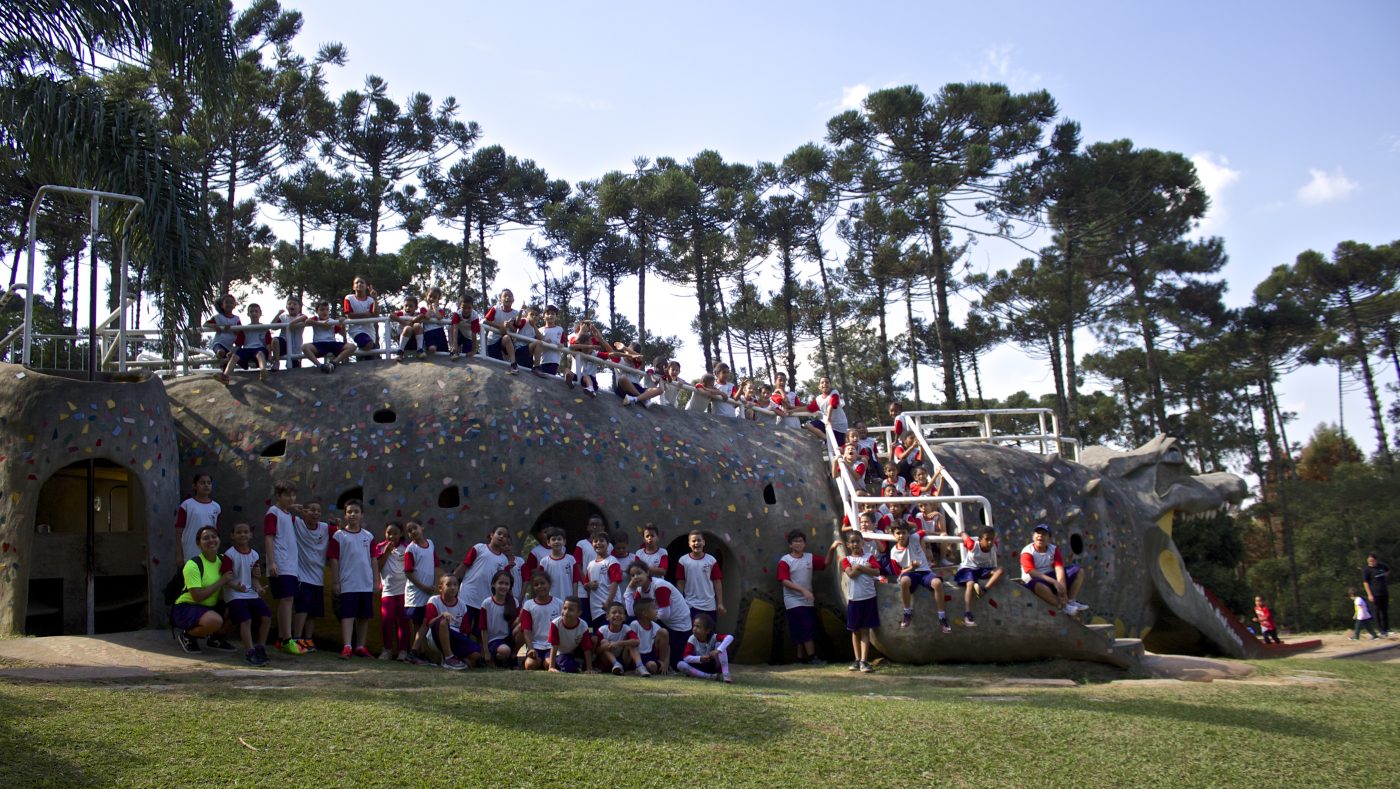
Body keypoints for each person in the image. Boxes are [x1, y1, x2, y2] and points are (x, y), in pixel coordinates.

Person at [777, 529, 837, 665]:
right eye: (795, 541)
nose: (798, 544)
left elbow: (825, 563)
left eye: (800, 541)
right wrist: (803, 590)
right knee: (806, 625)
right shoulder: (785, 561)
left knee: (800, 627)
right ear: (790, 545)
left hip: (807, 599)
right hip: (793, 599)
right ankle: (812, 657)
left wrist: (832, 548)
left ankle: (799, 658)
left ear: (805, 543)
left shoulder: (809, 557)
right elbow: (785, 581)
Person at [172, 525, 234, 653]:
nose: (211, 540)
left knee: (240, 609)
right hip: (188, 606)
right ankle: (188, 636)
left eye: (214, 537)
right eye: (206, 538)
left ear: (219, 539)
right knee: (215, 621)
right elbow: (197, 597)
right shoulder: (193, 564)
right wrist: (221, 581)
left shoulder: (223, 560)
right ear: (198, 543)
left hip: (211, 605)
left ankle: (215, 639)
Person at [262, 480, 306, 655]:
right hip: (280, 563)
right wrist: (272, 562)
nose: (291, 498)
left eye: (293, 494)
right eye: (287, 494)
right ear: (278, 496)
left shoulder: (288, 515)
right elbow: (268, 538)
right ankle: (287, 639)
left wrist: (297, 510)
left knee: (287, 600)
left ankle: (281, 639)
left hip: (290, 564)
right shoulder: (273, 512)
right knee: (286, 599)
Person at [327, 499, 375, 659]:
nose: (353, 514)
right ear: (345, 515)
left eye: (356, 511)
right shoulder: (338, 536)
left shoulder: (369, 537)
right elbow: (334, 559)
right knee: (347, 615)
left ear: (362, 515)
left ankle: (360, 646)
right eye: (350, 512)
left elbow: (373, 559)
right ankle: (347, 646)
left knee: (363, 616)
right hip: (347, 583)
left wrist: (376, 580)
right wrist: (335, 581)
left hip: (365, 583)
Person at [221, 522, 272, 666]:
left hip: (249, 592)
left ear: (250, 535)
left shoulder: (254, 554)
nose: (242, 534)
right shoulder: (229, 554)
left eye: (245, 532)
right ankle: (250, 652)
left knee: (266, 616)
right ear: (233, 536)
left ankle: (260, 647)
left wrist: (260, 588)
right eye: (239, 532)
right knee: (246, 620)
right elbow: (226, 579)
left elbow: (254, 578)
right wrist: (235, 587)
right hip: (234, 594)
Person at [623, 560, 691, 668]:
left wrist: (646, 617)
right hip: (662, 622)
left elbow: (665, 614)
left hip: (678, 626)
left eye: (639, 573)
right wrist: (629, 590)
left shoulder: (659, 586)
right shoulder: (640, 590)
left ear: (647, 573)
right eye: (632, 575)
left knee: (678, 664)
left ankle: (663, 663)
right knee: (633, 622)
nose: (635, 577)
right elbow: (632, 612)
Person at [890, 522, 950, 633]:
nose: (901, 536)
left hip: (924, 571)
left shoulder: (914, 538)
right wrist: (911, 567)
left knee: (937, 583)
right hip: (910, 573)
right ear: (893, 534)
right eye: (898, 533)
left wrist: (939, 534)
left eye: (904, 533)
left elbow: (924, 532)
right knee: (904, 581)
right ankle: (907, 612)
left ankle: (942, 617)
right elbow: (899, 572)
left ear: (908, 533)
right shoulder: (893, 552)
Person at [452, 525, 513, 630]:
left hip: (485, 601)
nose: (502, 537)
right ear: (491, 535)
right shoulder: (479, 548)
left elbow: (506, 582)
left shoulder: (504, 560)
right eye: (499, 533)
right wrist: (451, 579)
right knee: (462, 628)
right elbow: (464, 565)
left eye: (505, 536)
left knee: (480, 632)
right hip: (467, 596)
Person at [1020, 524, 1088, 615]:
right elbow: (1032, 573)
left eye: (1044, 534)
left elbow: (1059, 569)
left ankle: (1070, 601)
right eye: (1038, 533)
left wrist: (1062, 589)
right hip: (1035, 581)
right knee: (1035, 583)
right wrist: (1055, 582)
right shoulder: (1027, 552)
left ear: (1049, 538)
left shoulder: (1053, 549)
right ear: (1033, 536)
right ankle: (1062, 606)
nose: (1040, 536)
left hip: (1051, 577)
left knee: (1078, 570)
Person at [291, 501, 331, 653]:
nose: (315, 513)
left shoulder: (325, 528)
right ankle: (296, 638)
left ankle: (308, 640)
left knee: (313, 613)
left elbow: (340, 533)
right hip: (302, 577)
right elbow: (281, 515)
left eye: (318, 511)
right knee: (302, 609)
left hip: (318, 578)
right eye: (311, 510)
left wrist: (339, 525)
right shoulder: (298, 524)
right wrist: (291, 508)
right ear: (304, 511)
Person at [839, 529, 881, 673]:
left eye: (858, 541)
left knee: (865, 630)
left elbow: (876, 572)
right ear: (848, 544)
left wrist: (860, 567)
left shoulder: (870, 557)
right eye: (852, 542)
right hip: (854, 599)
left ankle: (864, 660)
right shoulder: (846, 560)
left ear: (863, 542)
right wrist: (861, 568)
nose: (855, 544)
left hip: (868, 598)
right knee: (855, 630)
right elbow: (850, 574)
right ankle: (857, 659)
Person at [401, 520, 439, 664]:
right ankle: (415, 652)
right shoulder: (411, 549)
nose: (413, 532)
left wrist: (435, 584)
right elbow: (408, 572)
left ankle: (418, 653)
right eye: (409, 531)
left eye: (415, 528)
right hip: (416, 594)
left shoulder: (431, 544)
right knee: (421, 622)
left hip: (428, 592)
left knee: (423, 621)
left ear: (422, 527)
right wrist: (423, 587)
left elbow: (435, 564)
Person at [426, 574, 482, 669]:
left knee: (476, 654)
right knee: (444, 622)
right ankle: (449, 659)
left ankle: (458, 658)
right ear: (440, 588)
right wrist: (442, 615)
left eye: (455, 585)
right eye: (449, 585)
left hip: (455, 638)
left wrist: (464, 646)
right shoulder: (434, 600)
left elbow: (464, 631)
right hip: (435, 637)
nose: (453, 588)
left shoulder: (462, 605)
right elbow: (430, 623)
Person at [374, 522, 412, 660]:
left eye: (395, 533)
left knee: (403, 621)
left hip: (404, 591)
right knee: (387, 620)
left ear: (401, 534)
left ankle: (403, 651)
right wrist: (386, 553)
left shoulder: (407, 548)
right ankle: (387, 650)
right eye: (389, 533)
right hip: (388, 591)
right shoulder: (380, 547)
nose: (392, 536)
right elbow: (377, 567)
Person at [955, 528, 1005, 627]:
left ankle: (984, 589)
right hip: (968, 569)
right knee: (970, 583)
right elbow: (965, 536)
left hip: (982, 570)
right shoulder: (973, 545)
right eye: (987, 539)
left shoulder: (994, 545)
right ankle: (967, 613)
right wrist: (961, 532)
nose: (990, 542)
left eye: (992, 539)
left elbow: (993, 539)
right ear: (980, 540)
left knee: (1000, 570)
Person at [675, 531, 724, 624]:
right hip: (690, 605)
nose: (696, 543)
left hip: (709, 605)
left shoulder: (711, 560)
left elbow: (717, 582)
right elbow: (680, 582)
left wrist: (720, 603)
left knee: (709, 635)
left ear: (704, 542)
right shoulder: (683, 561)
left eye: (699, 540)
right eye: (693, 541)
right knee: (692, 634)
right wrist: (679, 603)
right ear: (689, 544)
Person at [220, 302, 274, 383]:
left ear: (260, 313)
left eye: (256, 311)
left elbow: (268, 344)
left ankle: (263, 371)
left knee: (260, 354)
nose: (254, 313)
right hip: (246, 349)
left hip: (259, 349)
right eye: (251, 312)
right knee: (235, 355)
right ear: (248, 314)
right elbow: (238, 344)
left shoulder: (265, 328)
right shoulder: (244, 329)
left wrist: (269, 354)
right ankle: (225, 376)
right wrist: (231, 352)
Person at [519, 572, 564, 671]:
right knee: (530, 665)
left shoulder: (559, 603)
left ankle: (545, 661)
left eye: (543, 583)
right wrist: (530, 648)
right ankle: (537, 661)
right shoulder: (528, 605)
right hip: (535, 645)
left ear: (549, 584)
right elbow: (526, 630)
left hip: (552, 646)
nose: (540, 586)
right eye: (536, 585)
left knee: (548, 664)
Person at [174, 474, 221, 564]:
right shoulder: (187, 505)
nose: (206, 485)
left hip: (210, 549)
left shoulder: (216, 507)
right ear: (194, 486)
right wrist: (179, 554)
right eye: (202, 483)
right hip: (190, 549)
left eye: (209, 483)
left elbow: (216, 530)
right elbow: (179, 530)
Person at [478, 570, 519, 668]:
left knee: (522, 628)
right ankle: (497, 659)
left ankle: (513, 657)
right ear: (493, 584)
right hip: (494, 640)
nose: (503, 586)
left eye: (507, 584)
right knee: (505, 651)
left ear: (510, 587)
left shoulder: (514, 602)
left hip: (509, 638)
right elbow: (483, 628)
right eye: (500, 583)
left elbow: (516, 624)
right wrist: (486, 651)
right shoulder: (487, 603)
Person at [301, 300, 356, 373]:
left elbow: (342, 333)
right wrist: (322, 324)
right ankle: (320, 366)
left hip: (332, 343)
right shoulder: (315, 319)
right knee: (304, 347)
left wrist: (341, 323)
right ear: (317, 311)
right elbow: (307, 321)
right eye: (322, 309)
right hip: (319, 344)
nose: (325, 312)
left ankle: (334, 363)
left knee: (352, 346)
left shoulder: (332, 321)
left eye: (327, 309)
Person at [584, 530, 624, 628]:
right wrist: (589, 585)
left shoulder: (612, 562)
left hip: (610, 608)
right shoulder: (590, 564)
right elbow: (585, 584)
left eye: (601, 541)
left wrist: (608, 603)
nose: (598, 543)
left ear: (608, 544)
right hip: (595, 609)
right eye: (595, 541)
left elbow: (615, 583)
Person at [679, 614, 733, 683]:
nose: (694, 629)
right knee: (680, 664)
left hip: (713, 666)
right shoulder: (692, 638)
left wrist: (718, 650)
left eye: (698, 626)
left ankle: (726, 674)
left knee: (719, 644)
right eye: (694, 626)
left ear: (707, 631)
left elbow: (730, 637)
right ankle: (709, 676)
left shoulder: (713, 637)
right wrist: (700, 658)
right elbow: (686, 657)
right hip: (699, 667)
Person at [547, 597, 596, 673]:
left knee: (593, 642)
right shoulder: (556, 624)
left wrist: (589, 668)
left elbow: (586, 647)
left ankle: (582, 665)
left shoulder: (583, 625)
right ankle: (575, 665)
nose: (566, 612)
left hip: (574, 652)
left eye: (571, 610)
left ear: (579, 613)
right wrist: (551, 667)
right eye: (564, 608)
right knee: (569, 667)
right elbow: (554, 646)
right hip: (560, 653)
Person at [593, 601, 641, 676]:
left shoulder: (626, 628)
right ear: (607, 616)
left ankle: (640, 666)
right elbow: (597, 651)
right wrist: (606, 647)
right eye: (614, 612)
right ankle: (616, 664)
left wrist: (618, 643)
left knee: (631, 644)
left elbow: (637, 641)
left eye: (620, 613)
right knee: (604, 642)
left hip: (622, 660)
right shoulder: (602, 630)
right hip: (606, 661)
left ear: (624, 617)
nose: (617, 615)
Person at [483, 288, 524, 373]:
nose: (507, 298)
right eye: (505, 296)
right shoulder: (495, 308)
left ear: (513, 299)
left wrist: (510, 326)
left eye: (510, 296)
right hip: (492, 341)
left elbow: (515, 329)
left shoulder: (515, 313)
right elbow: (486, 321)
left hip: (505, 343)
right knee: (495, 365)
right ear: (500, 300)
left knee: (507, 337)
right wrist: (500, 327)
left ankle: (513, 364)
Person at [803, 376, 848, 447]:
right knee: (808, 425)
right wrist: (792, 409)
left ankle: (829, 442)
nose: (824, 384)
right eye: (822, 382)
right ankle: (827, 439)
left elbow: (831, 406)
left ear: (830, 385)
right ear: (819, 386)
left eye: (827, 382)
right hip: (827, 424)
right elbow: (808, 408)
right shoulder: (819, 399)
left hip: (839, 427)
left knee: (838, 449)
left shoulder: (834, 393)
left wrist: (829, 420)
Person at [630, 597, 668, 675]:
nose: (657, 611)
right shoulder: (634, 624)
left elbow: (668, 646)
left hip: (650, 656)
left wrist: (666, 662)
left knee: (652, 666)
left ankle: (662, 665)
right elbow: (630, 645)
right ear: (645, 613)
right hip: (635, 656)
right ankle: (637, 667)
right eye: (654, 608)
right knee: (631, 642)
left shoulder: (655, 626)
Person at [342, 275, 378, 356]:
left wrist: (375, 299)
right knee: (368, 344)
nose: (359, 284)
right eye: (357, 282)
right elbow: (349, 315)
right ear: (353, 287)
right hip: (356, 330)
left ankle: (360, 354)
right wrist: (367, 314)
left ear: (366, 286)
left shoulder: (371, 300)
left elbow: (375, 314)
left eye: (362, 282)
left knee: (369, 352)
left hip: (369, 330)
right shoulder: (349, 298)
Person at [567, 319, 605, 395]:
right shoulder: (572, 336)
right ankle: (569, 381)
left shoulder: (589, 339)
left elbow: (600, 339)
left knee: (587, 377)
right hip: (576, 371)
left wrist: (594, 329)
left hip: (589, 375)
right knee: (567, 371)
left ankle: (590, 389)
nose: (587, 331)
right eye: (585, 327)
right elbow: (574, 344)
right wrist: (581, 330)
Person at [272, 296, 309, 369]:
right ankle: (276, 362)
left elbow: (305, 317)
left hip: (295, 346)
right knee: (275, 340)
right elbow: (273, 327)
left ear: (299, 307)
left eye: (295, 304)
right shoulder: (283, 317)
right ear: (286, 306)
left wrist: (292, 323)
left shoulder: (300, 316)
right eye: (289, 304)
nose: (292, 305)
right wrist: (278, 314)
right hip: (284, 342)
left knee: (294, 366)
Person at [204, 294, 241, 367]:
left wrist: (233, 329)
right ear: (222, 305)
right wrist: (214, 325)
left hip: (229, 346)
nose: (229, 304)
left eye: (231, 303)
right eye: (227, 302)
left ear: (234, 305)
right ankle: (218, 356)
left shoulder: (236, 319)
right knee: (221, 352)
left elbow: (239, 332)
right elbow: (205, 324)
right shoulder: (218, 317)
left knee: (226, 364)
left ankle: (223, 375)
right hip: (218, 343)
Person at [533, 304, 566, 377]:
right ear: (543, 316)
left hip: (554, 360)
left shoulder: (560, 329)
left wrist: (562, 345)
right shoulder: (540, 330)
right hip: (542, 360)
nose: (550, 316)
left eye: (553, 314)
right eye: (548, 314)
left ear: (556, 316)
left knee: (550, 378)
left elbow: (562, 343)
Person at [420, 287, 455, 357]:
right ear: (426, 296)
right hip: (429, 332)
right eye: (430, 296)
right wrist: (430, 308)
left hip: (440, 332)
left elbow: (439, 317)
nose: (432, 299)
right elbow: (427, 316)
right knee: (432, 348)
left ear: (438, 299)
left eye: (434, 297)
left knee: (444, 350)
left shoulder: (440, 309)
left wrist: (435, 308)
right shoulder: (423, 308)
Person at [1363, 554, 1390, 637]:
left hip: (1384, 592)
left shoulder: (1381, 566)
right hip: (1375, 594)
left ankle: (1386, 629)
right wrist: (1369, 594)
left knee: (1384, 612)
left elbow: (1388, 570)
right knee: (1376, 612)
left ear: (1376, 560)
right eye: (1369, 561)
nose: (1370, 562)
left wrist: (1386, 574)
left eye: (1372, 561)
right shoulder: (1367, 570)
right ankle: (1380, 629)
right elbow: (1365, 583)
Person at [452, 294, 481, 359]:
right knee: (450, 329)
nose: (466, 310)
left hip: (469, 337)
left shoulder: (474, 316)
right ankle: (452, 351)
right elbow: (455, 330)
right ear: (459, 306)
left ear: (472, 307)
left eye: (469, 308)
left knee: (466, 355)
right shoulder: (457, 314)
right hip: (460, 333)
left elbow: (474, 335)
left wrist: (473, 351)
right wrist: (454, 344)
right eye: (464, 307)